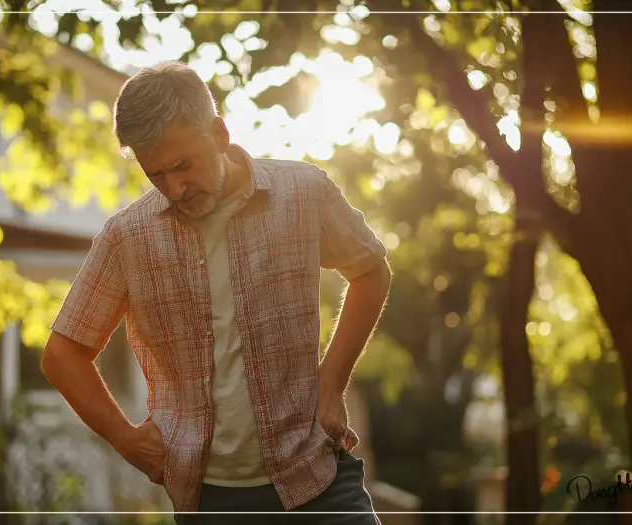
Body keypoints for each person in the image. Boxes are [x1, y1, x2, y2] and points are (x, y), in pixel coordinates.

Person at [41, 61, 391, 524]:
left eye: (183, 165)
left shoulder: (303, 192)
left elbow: (371, 270)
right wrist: (124, 438)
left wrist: (332, 381)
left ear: (220, 134)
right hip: (211, 502)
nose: (175, 188)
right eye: (156, 175)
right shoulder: (127, 237)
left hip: (317, 477)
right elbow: (62, 352)